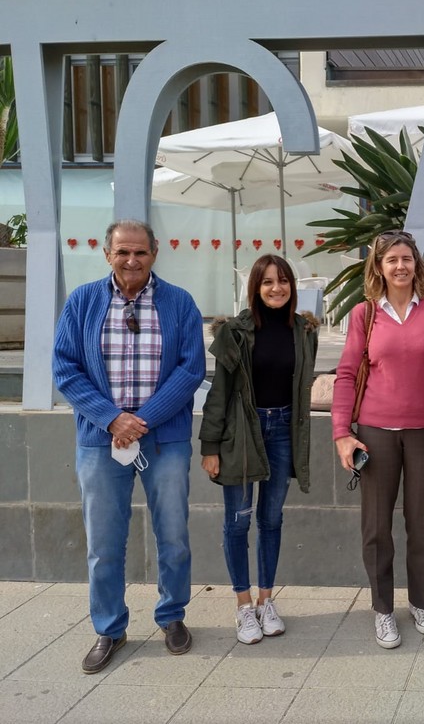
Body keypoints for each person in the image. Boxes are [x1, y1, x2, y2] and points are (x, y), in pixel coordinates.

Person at [53, 219, 205, 674]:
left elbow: (191, 368)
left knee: (174, 535)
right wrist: (111, 418)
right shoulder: (82, 301)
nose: (132, 260)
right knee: (103, 541)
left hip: (165, 439)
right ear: (107, 254)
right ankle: (109, 627)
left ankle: (172, 616)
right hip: (101, 440)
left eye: (140, 252)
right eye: (123, 252)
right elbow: (64, 367)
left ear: (155, 252)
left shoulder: (179, 302)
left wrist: (142, 421)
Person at [333, 230, 424, 649]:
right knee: (377, 527)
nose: (400, 266)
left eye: (407, 259)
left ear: (416, 265)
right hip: (375, 434)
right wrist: (342, 434)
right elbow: (347, 375)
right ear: (379, 268)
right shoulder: (363, 315)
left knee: (422, 523)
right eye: (391, 260)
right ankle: (383, 609)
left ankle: (421, 601)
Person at [199, 255, 319, 644]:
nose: (276, 288)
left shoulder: (303, 331)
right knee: (237, 521)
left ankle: (267, 600)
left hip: (283, 429)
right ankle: (242, 604)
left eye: (283, 281)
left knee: (271, 519)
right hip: (242, 434)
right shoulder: (235, 332)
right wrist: (210, 445)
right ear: (255, 287)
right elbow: (219, 392)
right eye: (267, 282)